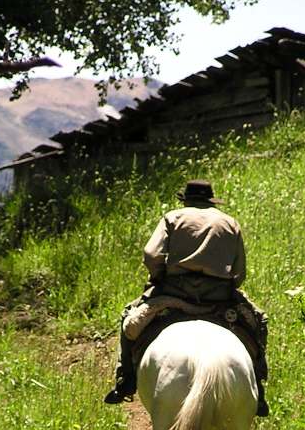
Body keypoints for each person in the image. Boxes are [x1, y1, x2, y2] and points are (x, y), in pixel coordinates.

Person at [104, 178, 269, 416]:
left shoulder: (173, 217)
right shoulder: (229, 222)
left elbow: (151, 254)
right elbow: (239, 271)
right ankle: (258, 387)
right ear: (211, 200)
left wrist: (158, 276)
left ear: (186, 200)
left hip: (174, 290)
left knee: (129, 319)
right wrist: (227, 287)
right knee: (258, 322)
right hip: (218, 297)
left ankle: (125, 381)